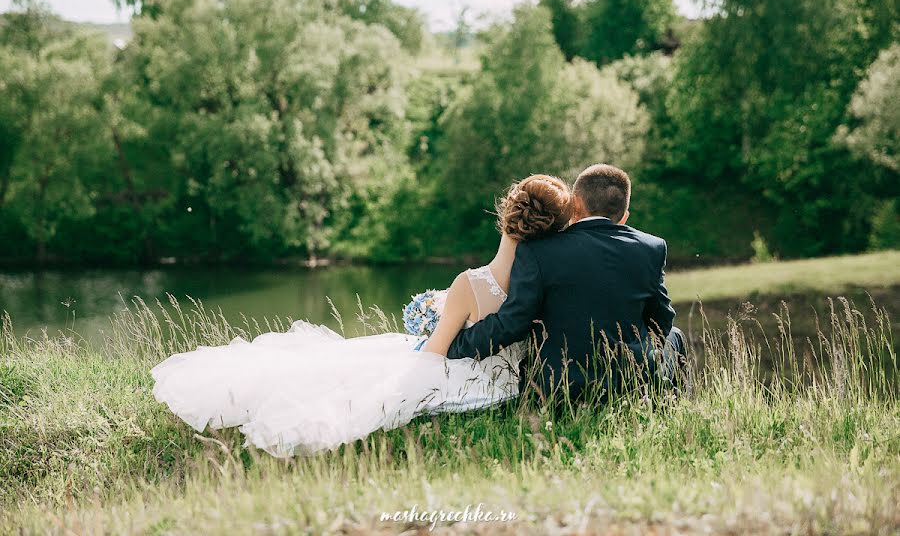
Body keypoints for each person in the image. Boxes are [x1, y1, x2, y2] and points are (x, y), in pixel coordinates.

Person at [152, 174, 574, 456]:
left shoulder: (471, 284)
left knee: (362, 362)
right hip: (508, 384)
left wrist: (431, 323)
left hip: (457, 373)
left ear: (507, 216)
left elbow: (434, 356)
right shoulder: (546, 287)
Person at [445, 164, 685, 402]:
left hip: (558, 390)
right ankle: (670, 406)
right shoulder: (650, 248)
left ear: (575, 204)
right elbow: (661, 320)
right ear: (624, 217)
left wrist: (454, 346)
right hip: (628, 386)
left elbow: (512, 324)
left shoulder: (537, 252)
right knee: (676, 336)